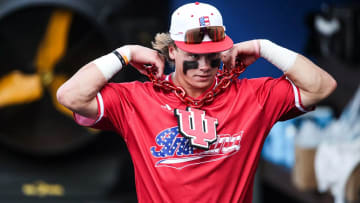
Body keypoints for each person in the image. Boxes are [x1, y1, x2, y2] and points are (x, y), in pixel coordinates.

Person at [57, 2, 337, 203]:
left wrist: (265, 47)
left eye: (212, 54)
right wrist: (124, 53)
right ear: (172, 51)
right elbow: (70, 95)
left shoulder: (253, 96)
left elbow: (322, 87)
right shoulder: (137, 99)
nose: (204, 65)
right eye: (193, 55)